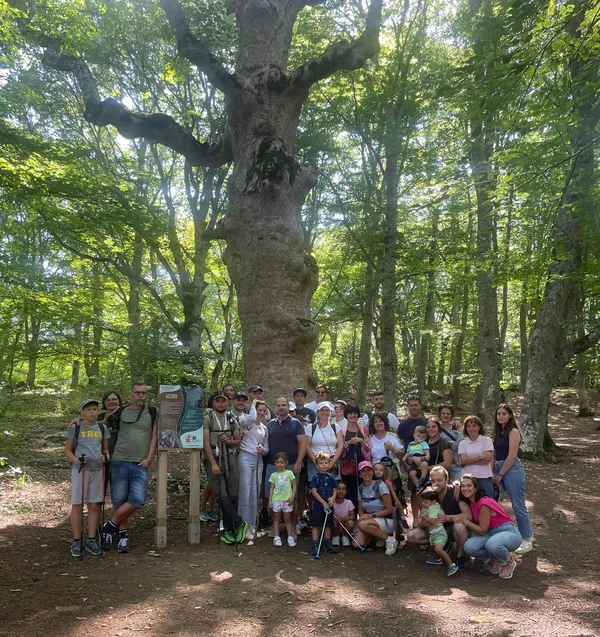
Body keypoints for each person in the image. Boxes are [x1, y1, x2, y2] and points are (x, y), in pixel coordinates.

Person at [100, 381, 157, 553]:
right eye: (137, 392)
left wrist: (149, 458)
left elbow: (154, 436)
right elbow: (99, 421)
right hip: (119, 461)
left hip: (140, 462)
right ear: (131, 394)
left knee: (137, 499)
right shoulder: (120, 411)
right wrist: (77, 420)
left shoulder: (152, 412)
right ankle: (123, 535)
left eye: (143, 393)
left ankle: (108, 527)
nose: (141, 395)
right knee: (119, 500)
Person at [66, 398, 110, 557]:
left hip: (98, 470)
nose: (92, 412)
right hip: (80, 470)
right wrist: (77, 460)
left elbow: (105, 449)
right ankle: (77, 540)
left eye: (95, 409)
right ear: (82, 412)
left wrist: (106, 457)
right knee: (77, 504)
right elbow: (68, 451)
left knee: (94, 505)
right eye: (89, 409)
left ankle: (92, 539)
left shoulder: (102, 428)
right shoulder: (75, 428)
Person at [201, 390, 246, 545]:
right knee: (221, 494)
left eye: (224, 401)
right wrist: (213, 463)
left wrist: (229, 440)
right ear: (213, 403)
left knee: (233, 494)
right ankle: (238, 522)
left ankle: (231, 530)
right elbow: (206, 443)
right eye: (218, 401)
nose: (220, 404)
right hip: (214, 458)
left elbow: (238, 440)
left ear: (228, 403)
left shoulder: (230, 417)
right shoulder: (208, 418)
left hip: (230, 456)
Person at [458, 474, 522, 579]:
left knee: (492, 544)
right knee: (469, 547)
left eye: (468, 486)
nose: (465, 489)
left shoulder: (483, 502)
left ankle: (508, 562)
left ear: (476, 488)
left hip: (507, 532)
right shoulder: (471, 502)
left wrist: (465, 522)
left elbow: (482, 530)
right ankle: (494, 558)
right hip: (490, 533)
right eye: (463, 486)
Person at [407, 465, 470, 571]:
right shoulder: (429, 494)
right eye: (433, 480)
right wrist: (424, 520)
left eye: (439, 480)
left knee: (459, 527)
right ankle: (443, 546)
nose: (436, 483)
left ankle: (460, 556)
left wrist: (447, 518)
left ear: (447, 480)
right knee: (412, 536)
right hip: (436, 529)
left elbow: (468, 515)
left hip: (452, 529)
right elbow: (421, 524)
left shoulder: (455, 492)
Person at [493, 403, 534, 554]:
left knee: (518, 505)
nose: (501, 416)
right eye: (498, 414)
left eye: (504, 413)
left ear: (510, 415)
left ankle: (527, 539)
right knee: (493, 503)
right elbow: (494, 453)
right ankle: (498, 534)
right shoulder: (497, 432)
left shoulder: (513, 432)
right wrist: (492, 471)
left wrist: (500, 475)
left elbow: (512, 456)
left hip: (511, 470)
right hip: (497, 468)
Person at [265, 397, 306, 532]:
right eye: (278, 405)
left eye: (284, 405)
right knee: (271, 496)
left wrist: (299, 462)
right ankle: (276, 525)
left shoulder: (296, 423)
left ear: (288, 407)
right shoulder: (270, 424)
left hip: (290, 466)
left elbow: (303, 443)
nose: (281, 407)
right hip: (272, 466)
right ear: (275, 408)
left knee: (291, 498)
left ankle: (293, 527)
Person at [237, 399, 269, 541]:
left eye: (264, 410)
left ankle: (252, 524)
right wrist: (254, 403)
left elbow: (267, 449)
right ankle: (243, 526)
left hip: (258, 460)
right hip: (245, 458)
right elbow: (250, 417)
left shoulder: (264, 428)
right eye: (259, 410)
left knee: (255, 493)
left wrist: (263, 449)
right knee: (245, 491)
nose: (261, 413)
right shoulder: (246, 421)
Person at [353, 461, 398, 556]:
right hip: (371, 520)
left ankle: (390, 540)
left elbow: (389, 509)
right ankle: (377, 536)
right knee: (357, 544)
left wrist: (370, 516)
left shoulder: (380, 486)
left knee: (362, 525)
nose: (366, 473)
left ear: (372, 472)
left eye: (369, 470)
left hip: (387, 520)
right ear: (360, 474)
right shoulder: (360, 488)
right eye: (363, 471)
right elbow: (361, 509)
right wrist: (362, 517)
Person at [398, 395, 428, 520]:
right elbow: (401, 444)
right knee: (414, 491)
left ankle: (426, 518)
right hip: (410, 461)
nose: (414, 407)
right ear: (408, 407)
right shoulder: (404, 425)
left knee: (428, 491)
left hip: (426, 461)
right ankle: (415, 519)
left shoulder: (426, 423)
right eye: (411, 405)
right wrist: (404, 463)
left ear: (420, 406)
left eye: (416, 405)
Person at [420, 487, 459, 576]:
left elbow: (432, 521)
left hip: (439, 533)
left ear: (433, 501)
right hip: (434, 532)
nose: (423, 504)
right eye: (423, 502)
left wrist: (424, 518)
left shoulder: (433, 508)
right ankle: (438, 559)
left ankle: (451, 565)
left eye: (425, 502)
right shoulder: (432, 507)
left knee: (438, 548)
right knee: (435, 547)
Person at [339, 404, 371, 507]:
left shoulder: (363, 429)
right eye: (350, 413)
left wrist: (361, 440)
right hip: (347, 464)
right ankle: (351, 515)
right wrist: (347, 443)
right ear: (346, 415)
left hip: (362, 463)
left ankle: (363, 513)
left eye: (355, 413)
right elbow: (338, 447)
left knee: (363, 488)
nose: (353, 415)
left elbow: (368, 447)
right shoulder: (341, 430)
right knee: (349, 490)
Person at [305, 402, 344, 482]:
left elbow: (340, 446)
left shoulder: (336, 427)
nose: (324, 412)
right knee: (315, 489)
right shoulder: (310, 427)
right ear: (317, 412)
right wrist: (316, 462)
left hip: (332, 462)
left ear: (330, 412)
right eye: (322, 410)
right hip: (314, 463)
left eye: (327, 410)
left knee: (332, 489)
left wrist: (332, 463)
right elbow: (307, 446)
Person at [458, 416, 495, 498]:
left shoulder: (487, 440)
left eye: (474, 425)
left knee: (489, 501)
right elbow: (463, 460)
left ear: (479, 427)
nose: (471, 428)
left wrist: (469, 461)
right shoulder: (462, 443)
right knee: (469, 504)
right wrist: (481, 456)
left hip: (484, 477)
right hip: (467, 478)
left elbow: (487, 460)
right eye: (468, 426)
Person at [310, 451, 338, 556]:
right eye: (321, 463)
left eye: (326, 463)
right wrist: (322, 502)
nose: (324, 465)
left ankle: (327, 543)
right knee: (316, 524)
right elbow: (314, 491)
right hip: (319, 504)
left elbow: (335, 489)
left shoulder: (331, 477)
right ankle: (316, 544)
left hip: (329, 503)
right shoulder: (315, 477)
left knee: (328, 524)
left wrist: (333, 497)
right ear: (317, 465)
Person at [268, 452, 297, 547]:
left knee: (287, 519)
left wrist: (292, 497)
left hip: (287, 500)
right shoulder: (273, 475)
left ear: (286, 463)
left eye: (281, 462)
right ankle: (277, 536)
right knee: (276, 518)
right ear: (275, 463)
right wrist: (270, 500)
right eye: (277, 462)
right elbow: (272, 488)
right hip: (276, 500)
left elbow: (294, 485)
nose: (279, 464)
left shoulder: (289, 473)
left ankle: (290, 536)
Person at [438, 404, 463, 482]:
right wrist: (451, 443)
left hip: (455, 464)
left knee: (457, 486)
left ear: (451, 415)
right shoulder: (435, 429)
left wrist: (445, 443)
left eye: (448, 414)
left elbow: (460, 445)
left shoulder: (457, 429)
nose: (446, 415)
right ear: (440, 415)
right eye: (443, 413)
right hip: (440, 464)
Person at [402, 425, 430, 489]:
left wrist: (424, 457)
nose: (420, 438)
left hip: (421, 457)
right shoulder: (411, 444)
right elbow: (408, 452)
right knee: (412, 473)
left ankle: (422, 478)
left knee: (425, 464)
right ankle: (418, 486)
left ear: (425, 438)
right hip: (412, 460)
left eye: (422, 437)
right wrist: (404, 458)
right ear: (414, 435)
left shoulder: (424, 443)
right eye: (418, 436)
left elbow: (427, 455)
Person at [332, 481, 355, 546]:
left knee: (351, 523)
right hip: (335, 525)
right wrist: (335, 518)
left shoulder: (349, 502)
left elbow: (353, 516)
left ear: (346, 491)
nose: (341, 491)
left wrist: (342, 519)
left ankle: (345, 536)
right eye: (339, 489)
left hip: (345, 525)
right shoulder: (332, 502)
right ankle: (335, 536)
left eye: (343, 489)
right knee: (332, 522)